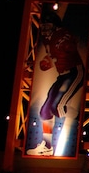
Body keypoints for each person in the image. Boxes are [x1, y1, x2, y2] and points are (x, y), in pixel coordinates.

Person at [28, 10, 85, 156]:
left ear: (55, 26)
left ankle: (76, 126)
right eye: (44, 26)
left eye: (48, 26)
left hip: (75, 73)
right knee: (45, 110)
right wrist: (49, 61)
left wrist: (67, 46)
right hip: (63, 75)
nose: (45, 29)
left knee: (58, 106)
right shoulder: (48, 39)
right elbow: (53, 56)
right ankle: (47, 146)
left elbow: (71, 44)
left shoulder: (62, 35)